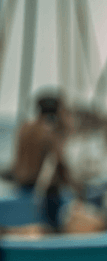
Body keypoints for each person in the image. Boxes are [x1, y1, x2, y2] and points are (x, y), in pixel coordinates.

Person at [12, 94, 72, 231]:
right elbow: (60, 164)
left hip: (21, 185)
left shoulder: (24, 129)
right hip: (43, 193)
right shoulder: (48, 134)